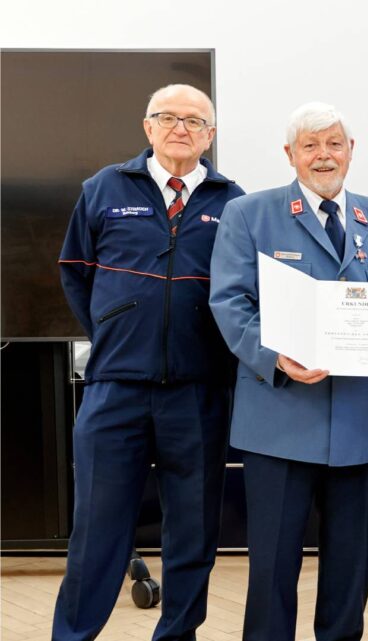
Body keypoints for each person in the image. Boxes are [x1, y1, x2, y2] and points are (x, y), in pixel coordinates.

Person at [208, 102, 368, 641]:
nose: (323, 155)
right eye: (310, 145)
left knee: (350, 568)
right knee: (274, 568)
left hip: (355, 424)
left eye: (334, 143)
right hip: (277, 420)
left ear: (352, 150)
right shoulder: (250, 215)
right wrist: (273, 356)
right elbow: (230, 303)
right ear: (290, 155)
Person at [55, 84, 244, 641]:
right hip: (115, 391)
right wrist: (117, 334)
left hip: (199, 393)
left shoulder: (233, 201)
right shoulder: (104, 188)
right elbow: (76, 272)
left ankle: (177, 635)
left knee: (192, 534)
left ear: (211, 135)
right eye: (167, 117)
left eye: (195, 120)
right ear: (147, 127)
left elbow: (245, 291)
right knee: (96, 532)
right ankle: (72, 636)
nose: (180, 127)